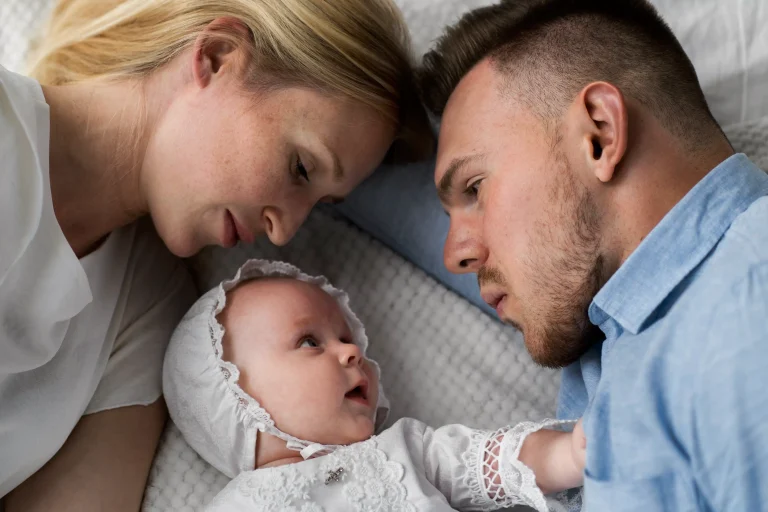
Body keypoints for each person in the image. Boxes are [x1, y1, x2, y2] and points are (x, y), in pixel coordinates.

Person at [0, 0, 431, 509]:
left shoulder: (149, 311)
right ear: (218, 55)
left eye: (318, 207)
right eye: (300, 168)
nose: (283, 231)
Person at [417, 0, 768, 509]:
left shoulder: (746, 302)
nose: (453, 254)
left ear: (599, 135)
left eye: (474, 188)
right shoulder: (617, 347)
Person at [163, 259, 586, 512]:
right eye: (310, 341)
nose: (352, 352)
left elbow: (483, 462)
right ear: (233, 396)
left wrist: (566, 455)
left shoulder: (403, 451)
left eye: (347, 338)